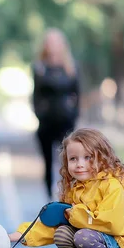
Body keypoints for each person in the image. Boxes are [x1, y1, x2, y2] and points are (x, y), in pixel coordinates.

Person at [8, 128, 124, 248]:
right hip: (99, 242)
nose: (80, 164)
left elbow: (111, 222)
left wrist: (75, 214)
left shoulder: (112, 186)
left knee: (83, 236)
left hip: (121, 247)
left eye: (88, 158)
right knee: (62, 233)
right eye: (73, 159)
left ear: (103, 158)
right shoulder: (75, 190)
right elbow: (54, 223)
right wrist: (18, 235)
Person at [32, 28, 80, 201]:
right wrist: (39, 114)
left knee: (68, 161)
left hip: (66, 122)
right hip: (46, 122)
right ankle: (49, 196)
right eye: (49, 42)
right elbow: (35, 95)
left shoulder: (71, 67)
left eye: (56, 42)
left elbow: (77, 94)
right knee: (48, 162)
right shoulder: (40, 68)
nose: (53, 46)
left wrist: (73, 114)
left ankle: (68, 195)